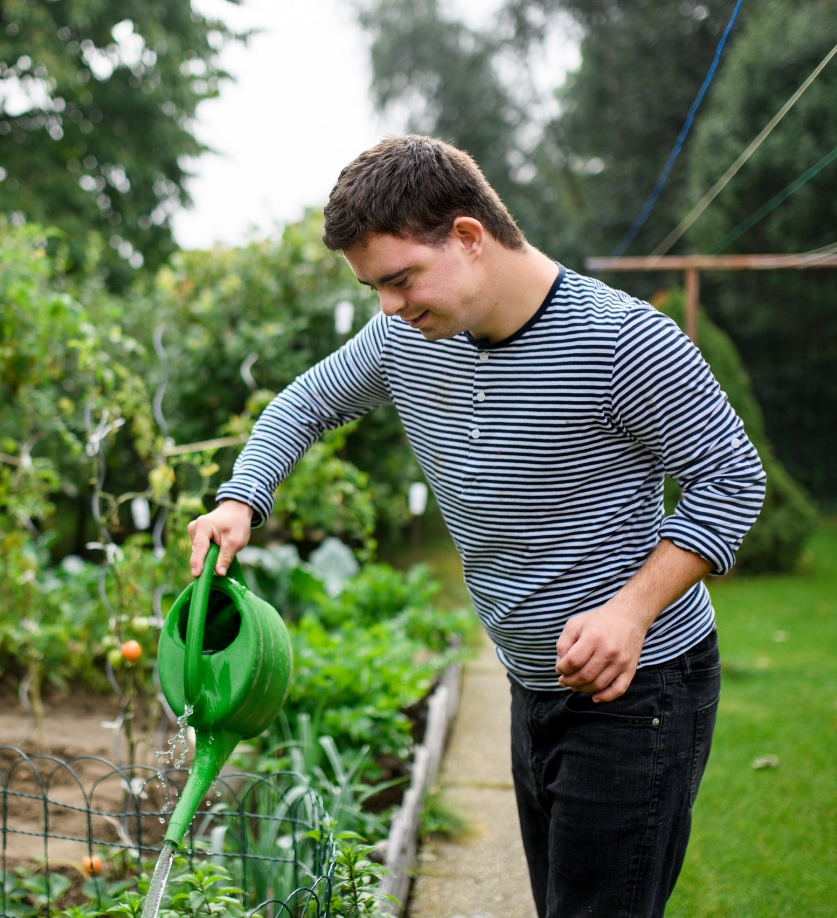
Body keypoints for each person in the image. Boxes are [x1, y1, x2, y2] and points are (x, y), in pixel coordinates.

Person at [186, 135, 766, 918]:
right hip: (533, 679)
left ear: (466, 237)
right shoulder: (405, 340)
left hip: (641, 689)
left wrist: (630, 611)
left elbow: (731, 479)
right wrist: (240, 499)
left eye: (399, 279)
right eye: (374, 289)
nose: (388, 307)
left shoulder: (622, 341)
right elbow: (304, 403)